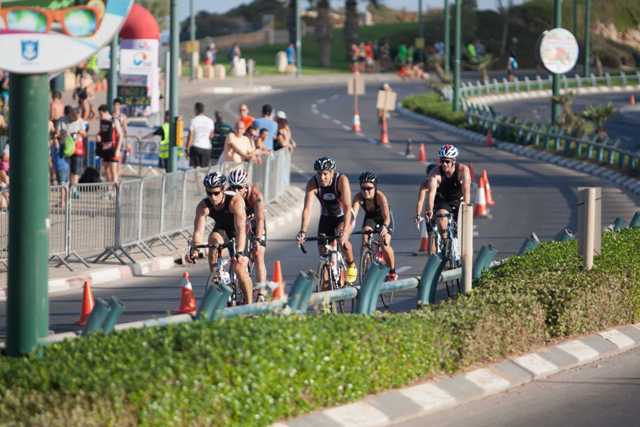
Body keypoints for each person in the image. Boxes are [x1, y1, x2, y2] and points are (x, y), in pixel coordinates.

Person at [188, 172, 252, 305]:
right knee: (213, 240)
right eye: (209, 193)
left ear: (223, 190)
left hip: (239, 232)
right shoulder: (203, 206)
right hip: (222, 230)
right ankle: (216, 276)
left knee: (239, 268)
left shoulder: (235, 201)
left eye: (216, 193)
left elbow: (240, 230)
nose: (212, 197)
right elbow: (198, 231)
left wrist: (239, 252)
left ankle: (249, 304)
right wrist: (195, 248)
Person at [296, 157, 358, 284]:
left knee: (342, 241)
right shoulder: (313, 183)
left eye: (325, 174)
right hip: (326, 218)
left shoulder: (341, 180)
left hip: (343, 217)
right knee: (323, 255)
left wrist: (345, 232)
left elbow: (347, 208)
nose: (322, 177)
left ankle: (351, 265)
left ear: (332, 173)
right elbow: (307, 209)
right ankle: (327, 293)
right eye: (319, 174)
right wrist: (303, 231)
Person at [421, 145, 471, 254]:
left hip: (458, 199)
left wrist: (466, 208)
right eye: (442, 161)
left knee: (462, 227)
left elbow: (466, 191)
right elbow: (431, 193)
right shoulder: (435, 173)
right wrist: (429, 209)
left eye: (447, 161)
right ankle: (445, 243)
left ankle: (461, 252)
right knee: (442, 217)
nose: (444, 164)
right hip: (443, 201)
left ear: (453, 161)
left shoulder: (463, 170)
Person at [351, 171, 397, 281]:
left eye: (369, 188)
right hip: (370, 218)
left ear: (375, 187)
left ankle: (392, 271)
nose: (366, 191)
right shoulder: (358, 197)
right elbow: (353, 215)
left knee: (384, 244)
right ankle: (366, 260)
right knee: (365, 234)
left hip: (384, 219)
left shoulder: (380, 196)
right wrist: (348, 227)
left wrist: (385, 227)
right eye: (363, 188)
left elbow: (387, 217)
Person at [228, 168, 267, 289]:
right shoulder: (228, 194)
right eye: (232, 187)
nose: (236, 191)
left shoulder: (255, 195)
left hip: (255, 221)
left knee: (258, 253)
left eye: (239, 188)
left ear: (246, 187)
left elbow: (260, 219)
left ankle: (261, 291)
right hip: (240, 223)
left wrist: (258, 238)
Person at [58, 107, 87, 190]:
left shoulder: (80, 121)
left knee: (75, 171)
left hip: (76, 148)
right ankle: (65, 189)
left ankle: (73, 189)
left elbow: (84, 134)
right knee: (65, 171)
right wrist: (64, 134)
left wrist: (79, 132)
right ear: (70, 114)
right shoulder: (62, 120)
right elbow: (57, 133)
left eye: (77, 118)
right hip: (65, 148)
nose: (75, 120)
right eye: (74, 118)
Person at [96, 104, 123, 183]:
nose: (100, 116)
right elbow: (101, 131)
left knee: (113, 170)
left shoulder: (114, 120)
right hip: (104, 148)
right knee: (106, 170)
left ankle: (115, 191)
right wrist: (98, 136)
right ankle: (109, 190)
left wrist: (118, 149)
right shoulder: (102, 121)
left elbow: (121, 135)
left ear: (106, 112)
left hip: (113, 148)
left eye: (101, 114)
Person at [187, 102, 214, 168]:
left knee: (196, 170)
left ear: (196, 110)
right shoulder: (210, 121)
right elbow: (211, 136)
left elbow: (190, 136)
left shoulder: (194, 120)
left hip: (196, 147)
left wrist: (187, 148)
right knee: (204, 169)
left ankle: (197, 178)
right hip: (206, 148)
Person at [112, 98, 129, 164]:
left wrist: (127, 142)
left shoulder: (123, 117)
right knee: (112, 160)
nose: (116, 106)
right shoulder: (111, 115)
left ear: (120, 106)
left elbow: (125, 130)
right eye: (115, 105)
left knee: (119, 159)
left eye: (118, 105)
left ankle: (118, 173)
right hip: (112, 139)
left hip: (119, 140)